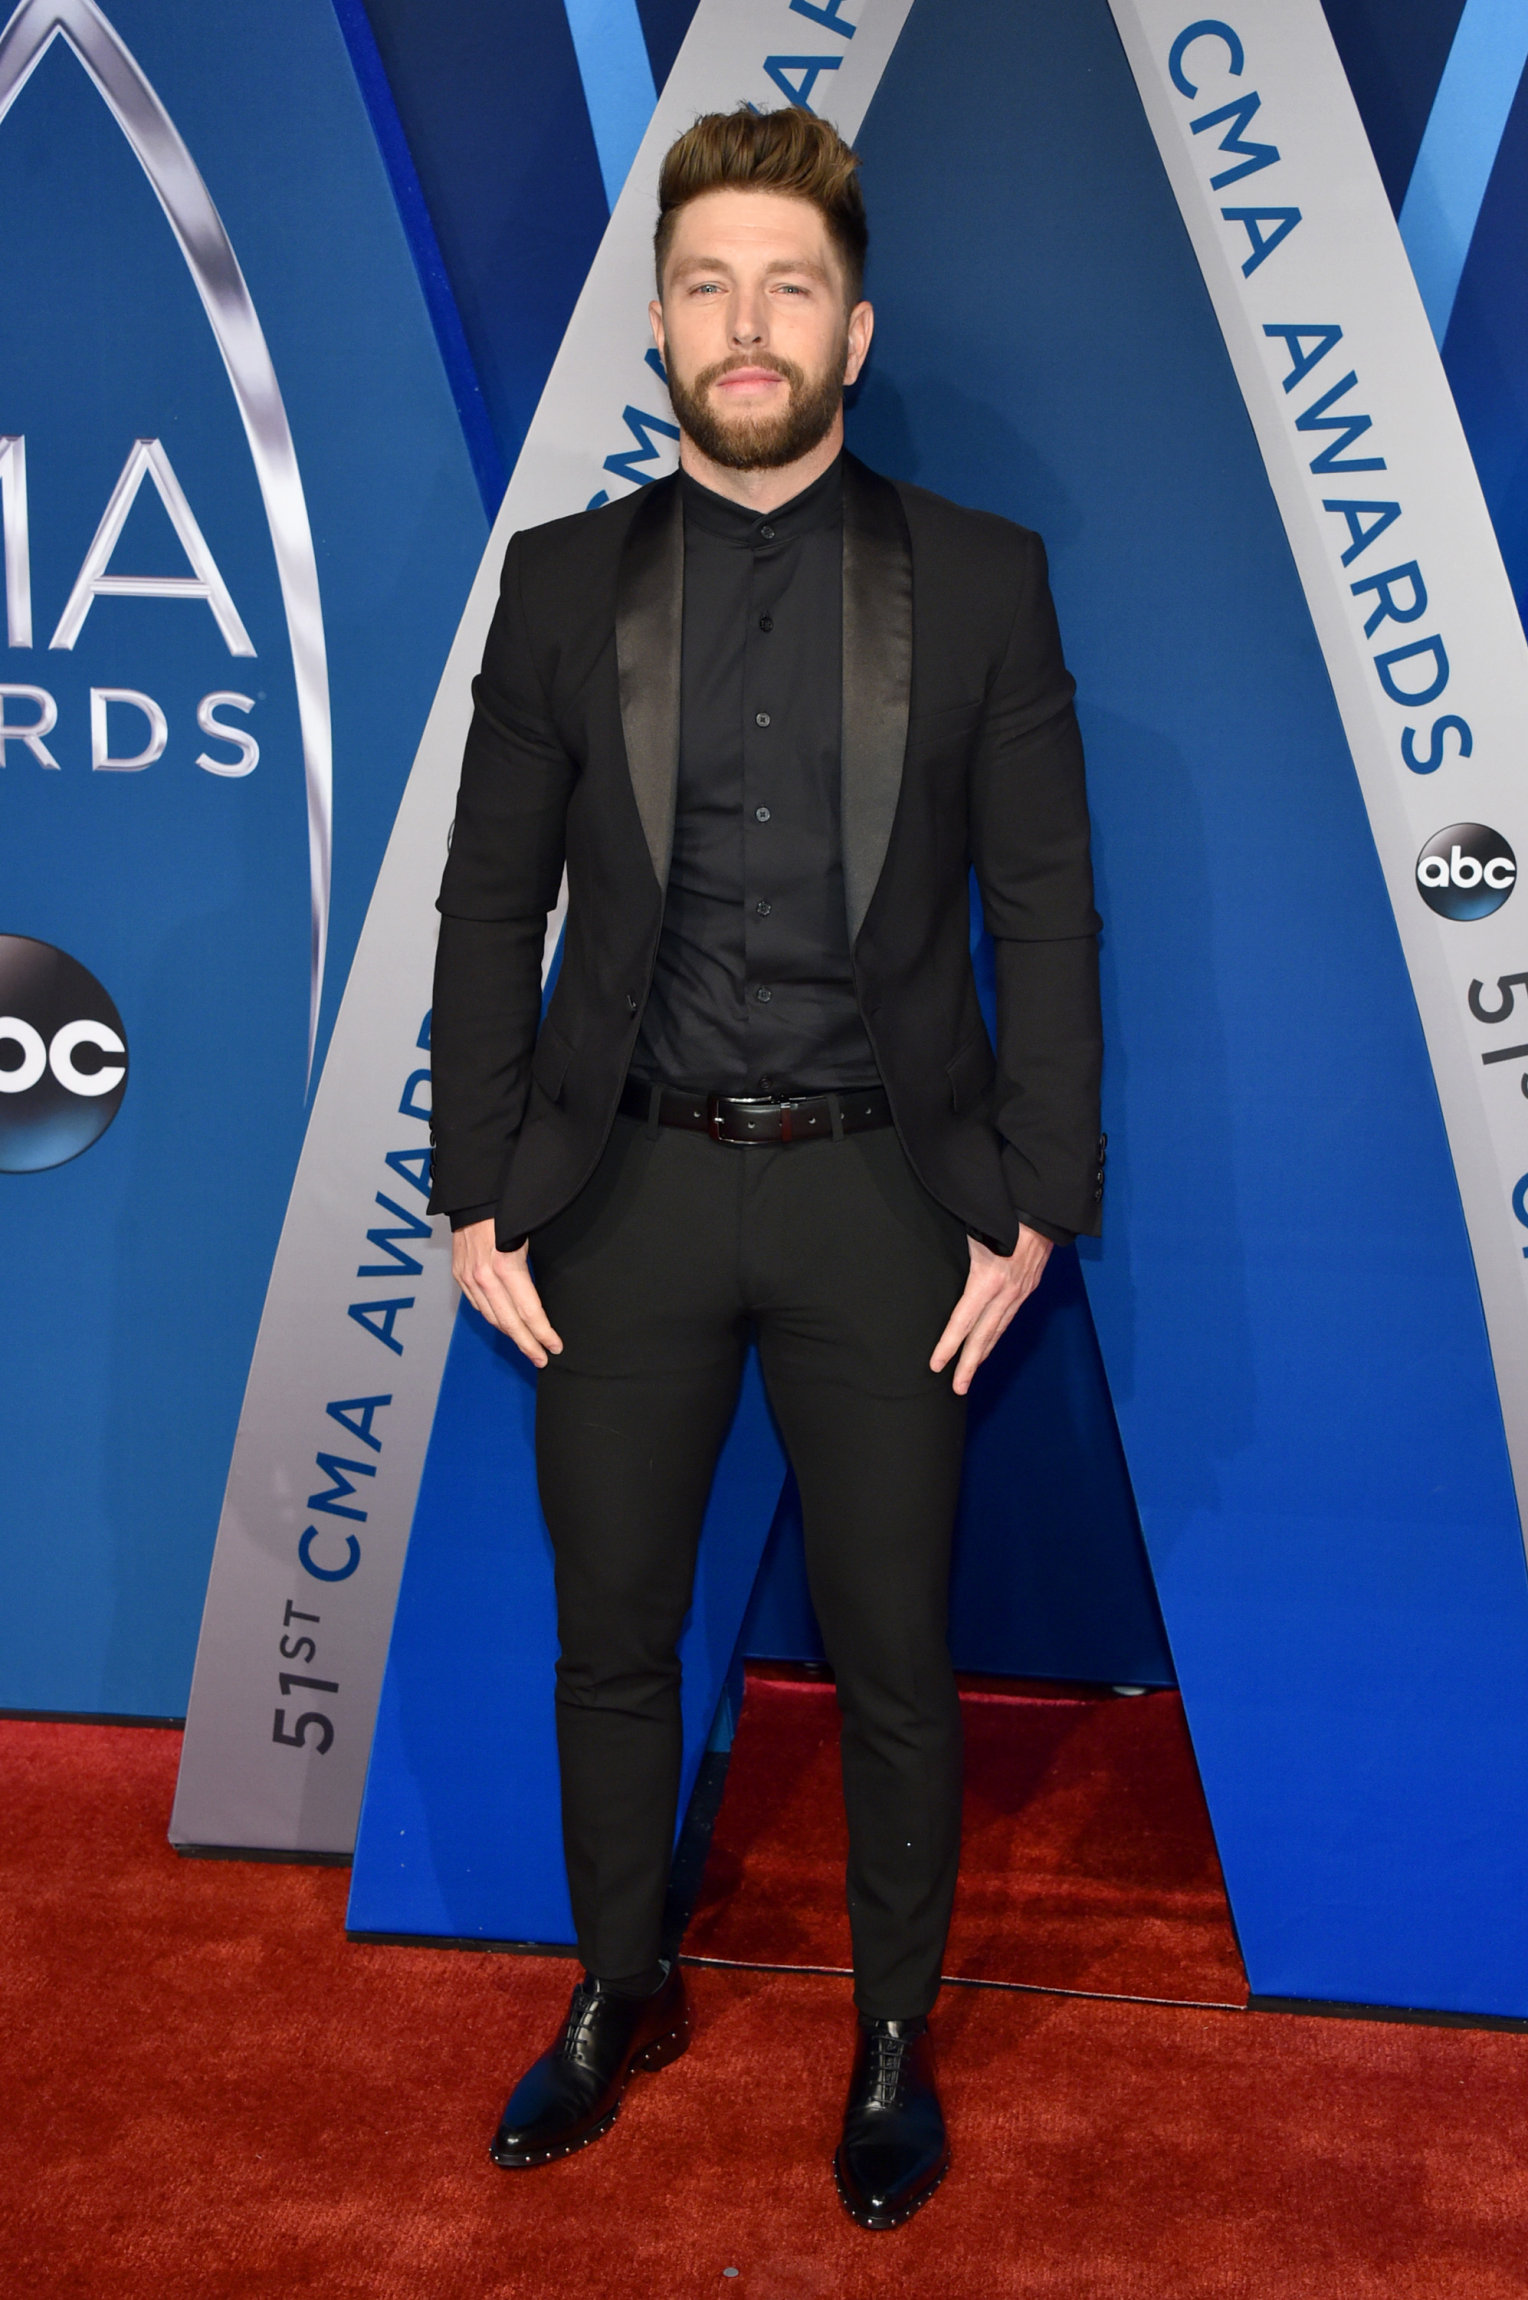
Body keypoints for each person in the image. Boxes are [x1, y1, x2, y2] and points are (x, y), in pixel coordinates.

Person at [428, 105, 1103, 2232]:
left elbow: (1050, 907)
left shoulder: (979, 580)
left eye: (786, 285)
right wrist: (471, 1184)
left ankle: (890, 2037)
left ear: (851, 322)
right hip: (613, 1197)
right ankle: (615, 1984)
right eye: (709, 284)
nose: (747, 323)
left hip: (880, 1197)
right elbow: (478, 911)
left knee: (894, 1648)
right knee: (609, 1639)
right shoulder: (555, 588)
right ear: (656, 330)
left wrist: (1035, 1192)